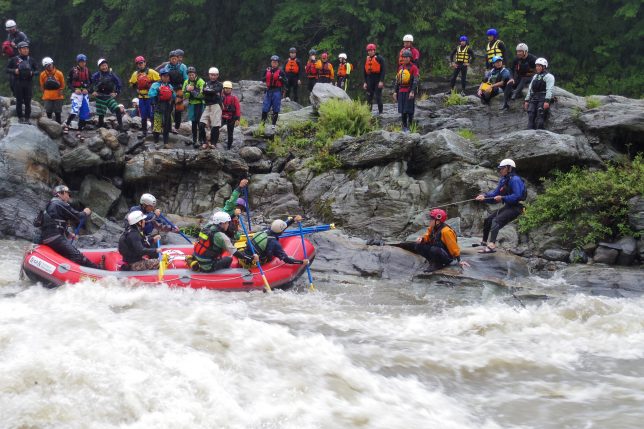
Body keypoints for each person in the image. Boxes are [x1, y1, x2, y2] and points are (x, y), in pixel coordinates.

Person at [39, 185, 99, 269]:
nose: (68, 196)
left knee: (66, 254)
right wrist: (85, 212)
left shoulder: (50, 204)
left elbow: (53, 223)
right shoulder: (59, 203)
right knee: (78, 256)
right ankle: (97, 270)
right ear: (60, 194)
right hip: (55, 238)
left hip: (46, 238)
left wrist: (68, 234)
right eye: (67, 193)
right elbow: (77, 216)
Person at [475, 159, 526, 253]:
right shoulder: (504, 180)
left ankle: (492, 246)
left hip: (517, 207)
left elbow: (517, 196)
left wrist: (502, 198)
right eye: (500, 169)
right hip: (509, 206)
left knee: (496, 221)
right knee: (488, 220)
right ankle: (484, 242)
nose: (500, 170)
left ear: (509, 168)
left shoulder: (515, 180)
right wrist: (484, 196)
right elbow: (495, 194)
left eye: (502, 168)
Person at [191, 211, 258, 272]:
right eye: (228, 223)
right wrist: (251, 258)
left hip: (197, 257)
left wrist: (233, 214)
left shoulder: (207, 227)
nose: (228, 224)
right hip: (208, 266)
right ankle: (225, 275)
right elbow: (235, 253)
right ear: (223, 223)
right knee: (229, 259)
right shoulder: (220, 236)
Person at [244, 215, 309, 265]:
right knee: (272, 253)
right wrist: (302, 262)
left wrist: (293, 219)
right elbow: (287, 260)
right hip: (254, 261)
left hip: (246, 253)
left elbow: (281, 227)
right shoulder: (274, 243)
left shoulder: (265, 229)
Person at [129, 55, 160, 138]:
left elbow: (159, 80)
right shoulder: (135, 74)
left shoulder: (151, 72)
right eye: (138, 64)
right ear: (137, 65)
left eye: (141, 63)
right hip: (141, 97)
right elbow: (131, 84)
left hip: (151, 97)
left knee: (152, 114)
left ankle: (155, 130)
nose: (140, 65)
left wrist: (151, 85)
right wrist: (137, 87)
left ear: (145, 63)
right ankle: (144, 131)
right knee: (143, 115)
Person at [6, 41, 37, 124]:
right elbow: (7, 69)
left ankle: (27, 118)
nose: (26, 50)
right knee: (19, 101)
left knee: (28, 101)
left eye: (27, 48)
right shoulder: (14, 59)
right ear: (19, 50)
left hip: (28, 83)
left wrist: (32, 73)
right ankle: (20, 118)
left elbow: (38, 71)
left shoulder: (31, 60)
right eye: (23, 49)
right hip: (18, 82)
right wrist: (14, 70)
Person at [501, 43, 537, 110]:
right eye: (517, 51)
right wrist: (511, 78)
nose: (518, 53)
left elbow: (538, 70)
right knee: (509, 82)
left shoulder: (533, 59)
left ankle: (515, 93)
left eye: (520, 51)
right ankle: (505, 103)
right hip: (519, 77)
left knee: (524, 78)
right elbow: (511, 70)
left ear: (525, 51)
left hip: (530, 77)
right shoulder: (516, 59)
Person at [91, 58, 123, 130]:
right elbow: (89, 83)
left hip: (109, 96)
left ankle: (121, 126)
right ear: (99, 67)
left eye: (105, 65)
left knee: (117, 109)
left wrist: (116, 92)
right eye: (102, 66)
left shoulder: (111, 74)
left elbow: (119, 83)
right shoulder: (96, 75)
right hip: (99, 96)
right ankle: (100, 126)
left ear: (107, 65)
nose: (104, 67)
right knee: (101, 113)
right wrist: (92, 91)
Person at [524, 57, 555, 130]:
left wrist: (547, 101)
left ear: (544, 67)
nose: (537, 67)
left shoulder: (549, 76)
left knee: (540, 115)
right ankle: (529, 133)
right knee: (531, 115)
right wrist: (526, 100)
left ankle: (539, 134)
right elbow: (530, 89)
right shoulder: (535, 76)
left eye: (539, 66)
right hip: (534, 97)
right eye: (536, 66)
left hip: (543, 98)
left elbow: (549, 89)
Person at [393, 49, 419, 133]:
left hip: (409, 91)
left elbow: (415, 80)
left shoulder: (414, 68)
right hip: (401, 91)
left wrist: (412, 91)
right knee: (402, 109)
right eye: (404, 57)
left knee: (409, 109)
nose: (405, 59)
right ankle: (404, 126)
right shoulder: (400, 67)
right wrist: (395, 91)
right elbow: (397, 81)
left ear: (410, 58)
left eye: (407, 57)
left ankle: (410, 125)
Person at [64, 54, 91, 133]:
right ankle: (67, 124)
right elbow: (68, 82)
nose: (83, 63)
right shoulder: (73, 70)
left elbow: (92, 83)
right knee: (75, 110)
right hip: (76, 94)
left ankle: (80, 128)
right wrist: (74, 89)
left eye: (84, 61)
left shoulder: (88, 71)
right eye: (81, 61)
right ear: (78, 62)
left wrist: (88, 90)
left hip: (85, 94)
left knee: (84, 111)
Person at [148, 69, 175, 145]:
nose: (166, 77)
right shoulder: (155, 85)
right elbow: (150, 94)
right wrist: (158, 91)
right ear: (160, 76)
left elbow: (174, 96)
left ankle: (166, 143)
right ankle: (156, 142)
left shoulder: (170, 86)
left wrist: (172, 93)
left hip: (167, 107)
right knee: (157, 125)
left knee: (166, 125)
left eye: (167, 76)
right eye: (164, 76)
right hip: (158, 107)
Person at [164, 51, 188, 132]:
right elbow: (165, 78)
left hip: (179, 89)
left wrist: (184, 89)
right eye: (172, 59)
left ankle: (177, 126)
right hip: (170, 89)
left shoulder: (183, 67)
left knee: (178, 109)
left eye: (175, 58)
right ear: (169, 59)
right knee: (169, 109)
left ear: (178, 59)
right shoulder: (167, 67)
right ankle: (169, 127)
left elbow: (185, 79)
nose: (174, 60)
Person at [261, 55, 286, 130]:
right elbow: (262, 79)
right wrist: (267, 77)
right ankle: (262, 124)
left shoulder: (281, 72)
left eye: (275, 62)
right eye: (273, 62)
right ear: (271, 62)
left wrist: (280, 78)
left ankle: (273, 124)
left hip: (277, 91)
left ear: (277, 63)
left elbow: (286, 81)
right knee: (265, 108)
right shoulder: (267, 70)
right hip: (268, 91)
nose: (274, 63)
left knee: (276, 108)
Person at [200, 67, 223, 149]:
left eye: (215, 75)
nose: (213, 77)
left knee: (215, 125)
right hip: (207, 106)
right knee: (201, 124)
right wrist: (209, 91)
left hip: (216, 105)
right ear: (209, 75)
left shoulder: (220, 84)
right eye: (211, 75)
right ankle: (204, 142)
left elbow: (215, 91)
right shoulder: (206, 83)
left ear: (217, 75)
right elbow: (204, 91)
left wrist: (209, 91)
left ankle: (213, 143)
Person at [183, 66, 205, 146]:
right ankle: (195, 139)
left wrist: (193, 90)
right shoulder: (186, 82)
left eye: (192, 75)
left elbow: (202, 94)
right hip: (192, 104)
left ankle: (201, 139)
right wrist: (188, 91)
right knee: (193, 122)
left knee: (200, 122)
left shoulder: (200, 81)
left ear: (195, 74)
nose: (191, 76)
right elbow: (185, 95)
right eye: (189, 75)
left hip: (199, 103)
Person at [39, 57, 65, 123]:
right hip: (47, 95)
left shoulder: (59, 73)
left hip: (57, 95)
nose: (49, 67)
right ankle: (49, 127)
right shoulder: (42, 74)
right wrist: (44, 93)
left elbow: (62, 85)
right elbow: (42, 86)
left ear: (52, 64)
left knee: (58, 113)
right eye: (47, 66)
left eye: (50, 65)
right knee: (48, 112)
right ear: (45, 66)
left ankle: (59, 126)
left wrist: (61, 91)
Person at [363, 43, 386, 115]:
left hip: (377, 79)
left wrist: (381, 81)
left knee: (378, 96)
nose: (369, 52)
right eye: (368, 51)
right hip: (369, 79)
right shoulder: (366, 59)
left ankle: (381, 112)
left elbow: (383, 70)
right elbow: (364, 72)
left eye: (371, 50)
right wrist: (365, 82)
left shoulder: (380, 58)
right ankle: (368, 113)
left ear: (374, 50)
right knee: (369, 97)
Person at [221, 80, 241, 150]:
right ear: (223, 89)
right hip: (222, 116)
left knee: (230, 133)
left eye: (228, 88)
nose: (227, 90)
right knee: (216, 129)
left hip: (231, 117)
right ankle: (215, 143)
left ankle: (229, 147)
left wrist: (238, 119)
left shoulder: (234, 98)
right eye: (225, 88)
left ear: (231, 89)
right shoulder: (220, 97)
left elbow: (238, 109)